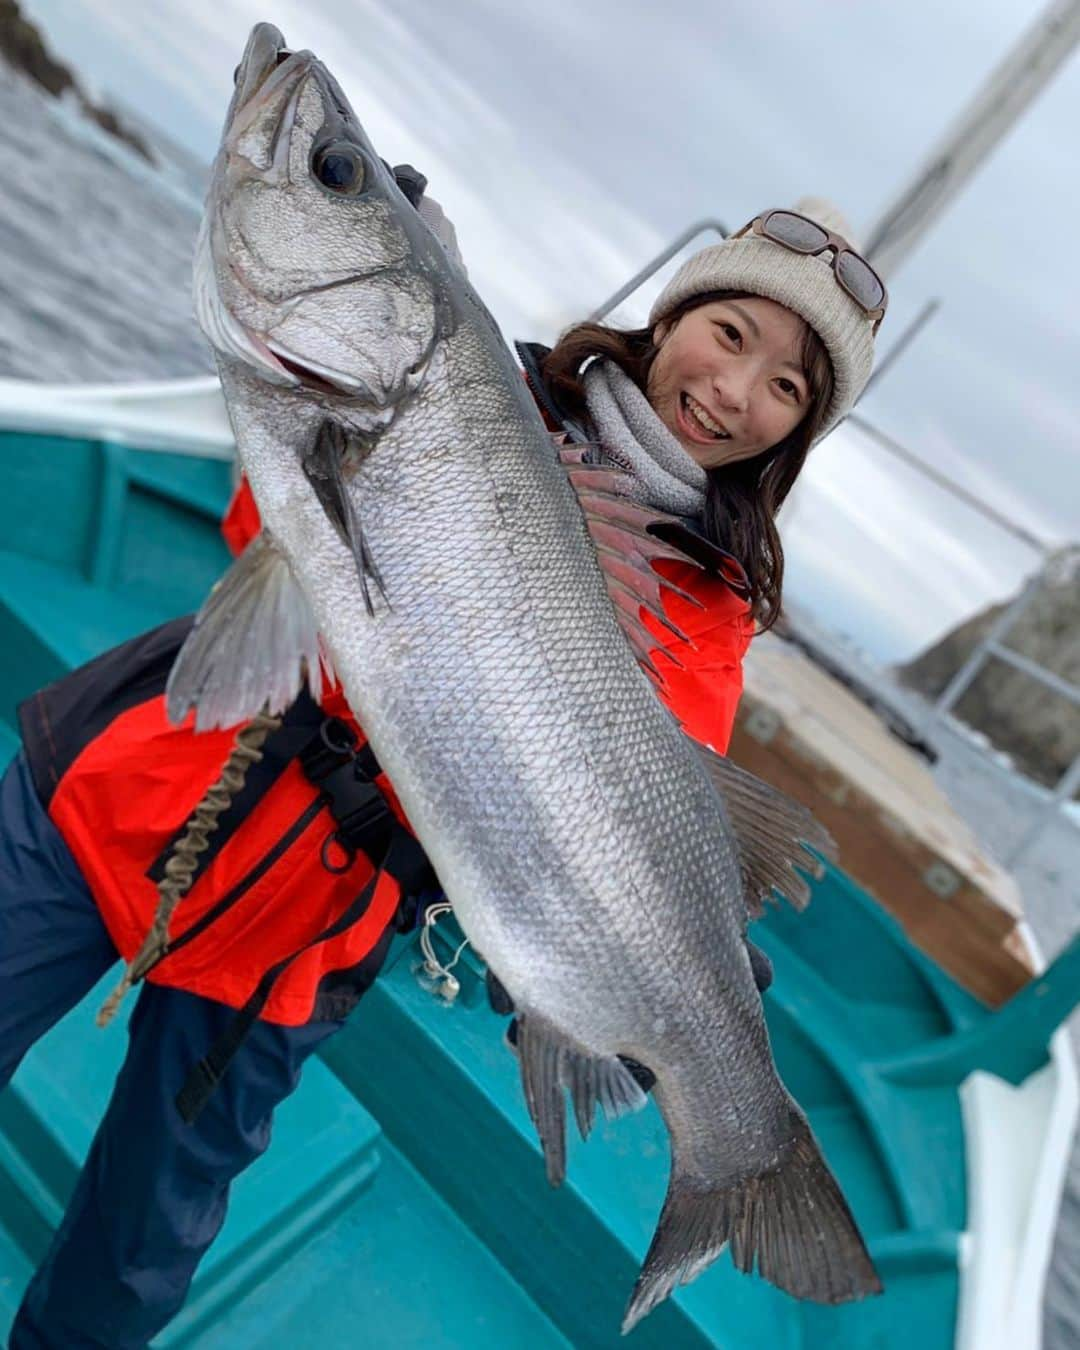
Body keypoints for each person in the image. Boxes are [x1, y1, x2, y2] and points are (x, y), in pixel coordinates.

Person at [0, 187, 883, 1347]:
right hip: (137, 789)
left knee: (135, 1258)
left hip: (304, 934)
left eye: (787, 389)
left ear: (796, 438)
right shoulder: (477, 395)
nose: (734, 392)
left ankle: (739, 1153)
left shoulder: (713, 619)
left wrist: (648, 945)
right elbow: (252, 536)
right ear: (672, 318)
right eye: (732, 334)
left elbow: (637, 816)